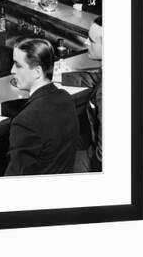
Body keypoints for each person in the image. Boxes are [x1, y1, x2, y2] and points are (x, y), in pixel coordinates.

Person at [3, 38, 79, 175]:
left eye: (18, 65)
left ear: (37, 72)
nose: (12, 70)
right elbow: (36, 105)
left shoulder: (24, 122)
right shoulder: (65, 98)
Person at [61, 17, 103, 172]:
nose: (86, 42)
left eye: (91, 41)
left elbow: (103, 154)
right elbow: (95, 78)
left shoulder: (105, 94)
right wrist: (60, 77)